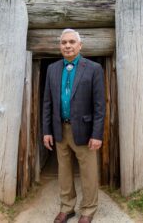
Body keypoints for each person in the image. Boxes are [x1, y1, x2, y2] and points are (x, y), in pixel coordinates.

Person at [42, 28, 106, 223]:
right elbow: (47, 102)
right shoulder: (52, 69)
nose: (67, 45)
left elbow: (99, 105)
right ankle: (67, 207)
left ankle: (88, 210)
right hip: (59, 129)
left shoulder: (93, 68)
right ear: (60, 46)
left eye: (71, 42)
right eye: (64, 42)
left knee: (88, 173)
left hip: (85, 132)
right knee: (64, 171)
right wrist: (47, 131)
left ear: (80, 45)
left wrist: (97, 134)